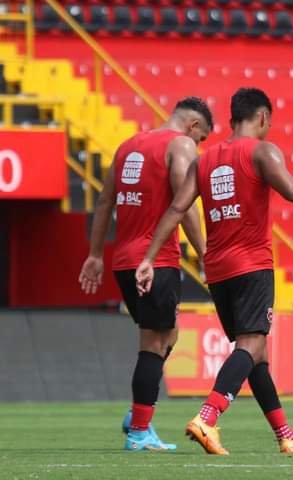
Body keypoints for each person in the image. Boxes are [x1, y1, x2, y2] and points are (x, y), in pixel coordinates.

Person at [135, 87, 293, 456]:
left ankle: (285, 435)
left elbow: (176, 209)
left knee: (256, 355)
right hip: (252, 264)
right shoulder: (262, 151)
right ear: (262, 118)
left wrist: (148, 257)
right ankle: (208, 416)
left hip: (219, 270)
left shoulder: (203, 161)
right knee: (251, 345)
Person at [78, 97, 213, 451]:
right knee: (154, 342)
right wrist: (204, 255)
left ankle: (137, 411)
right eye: (202, 141)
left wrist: (95, 254)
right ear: (193, 127)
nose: (198, 148)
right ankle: (139, 431)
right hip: (155, 261)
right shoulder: (180, 145)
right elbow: (183, 206)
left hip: (124, 259)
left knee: (168, 334)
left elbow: (105, 201)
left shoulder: (128, 145)